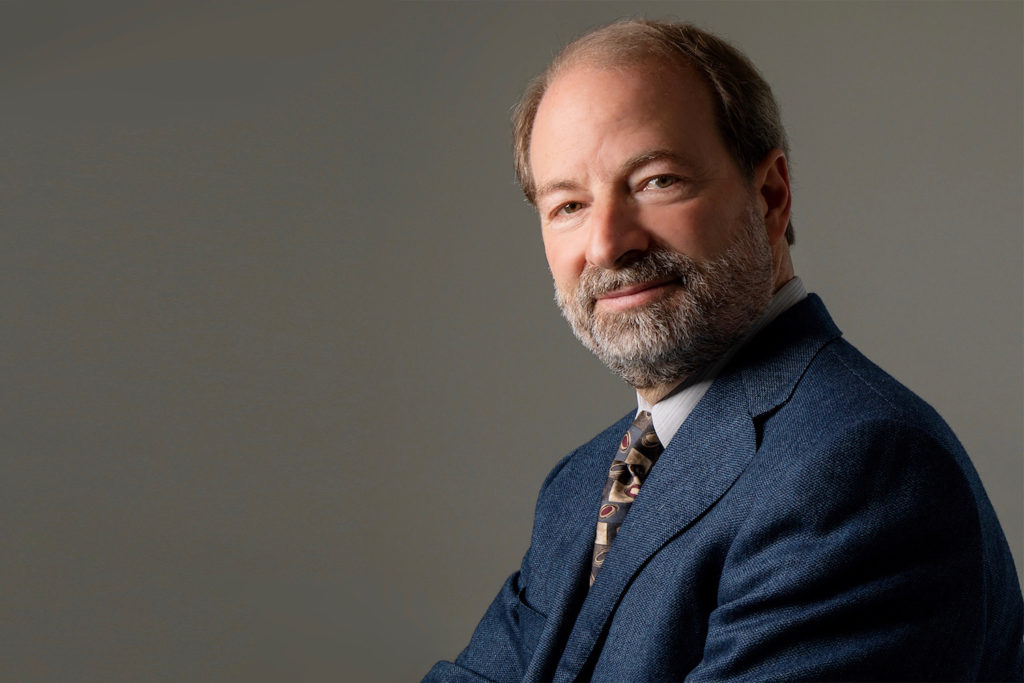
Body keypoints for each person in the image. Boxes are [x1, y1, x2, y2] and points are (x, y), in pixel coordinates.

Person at [425, 19, 1023, 682]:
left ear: (769, 195)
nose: (606, 242)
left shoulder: (860, 471)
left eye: (656, 181)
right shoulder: (582, 485)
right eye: (568, 204)